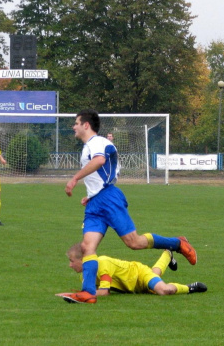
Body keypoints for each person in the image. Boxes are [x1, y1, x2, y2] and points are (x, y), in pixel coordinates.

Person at [59, 109, 197, 304]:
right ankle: (88, 292)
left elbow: (100, 161)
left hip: (108, 199)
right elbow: (104, 173)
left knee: (134, 242)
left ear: (86, 125)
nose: (73, 126)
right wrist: (90, 195)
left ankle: (177, 243)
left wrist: (74, 178)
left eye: (76, 123)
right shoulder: (89, 146)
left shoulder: (97, 142)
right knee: (87, 246)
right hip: (96, 203)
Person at [56, 243, 207, 302]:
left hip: (139, 273)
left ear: (83, 260)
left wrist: (72, 296)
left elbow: (104, 292)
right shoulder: (85, 275)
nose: (70, 265)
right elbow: (87, 291)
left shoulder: (102, 264)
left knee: (164, 290)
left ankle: (191, 287)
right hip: (135, 286)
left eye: (72, 261)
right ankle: (168, 253)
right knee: (155, 274)